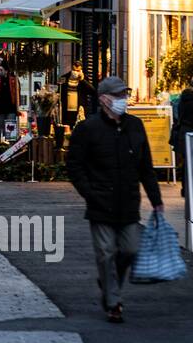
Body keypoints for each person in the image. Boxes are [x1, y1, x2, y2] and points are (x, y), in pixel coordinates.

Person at [66, 75, 164, 323]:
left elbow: (146, 166)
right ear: (104, 99)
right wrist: (88, 192)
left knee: (130, 249)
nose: (124, 99)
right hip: (100, 202)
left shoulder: (135, 126)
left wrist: (156, 199)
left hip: (129, 201)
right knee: (106, 252)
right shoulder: (88, 129)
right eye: (119, 95)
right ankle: (113, 302)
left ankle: (108, 283)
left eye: (125, 95)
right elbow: (75, 166)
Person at [0, 59, 20, 139]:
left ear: (6, 71)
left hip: (11, 107)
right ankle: (1, 141)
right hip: (0, 107)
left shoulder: (13, 80)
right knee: (1, 125)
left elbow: (17, 92)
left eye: (1, 70)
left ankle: (10, 141)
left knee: (11, 125)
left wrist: (18, 106)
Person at [60, 58, 94, 131]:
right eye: (74, 70)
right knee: (67, 130)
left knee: (79, 129)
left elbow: (92, 91)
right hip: (66, 110)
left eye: (78, 71)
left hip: (79, 110)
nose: (76, 72)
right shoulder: (65, 77)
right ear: (72, 68)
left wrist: (82, 80)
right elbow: (59, 90)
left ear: (81, 70)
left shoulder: (84, 79)